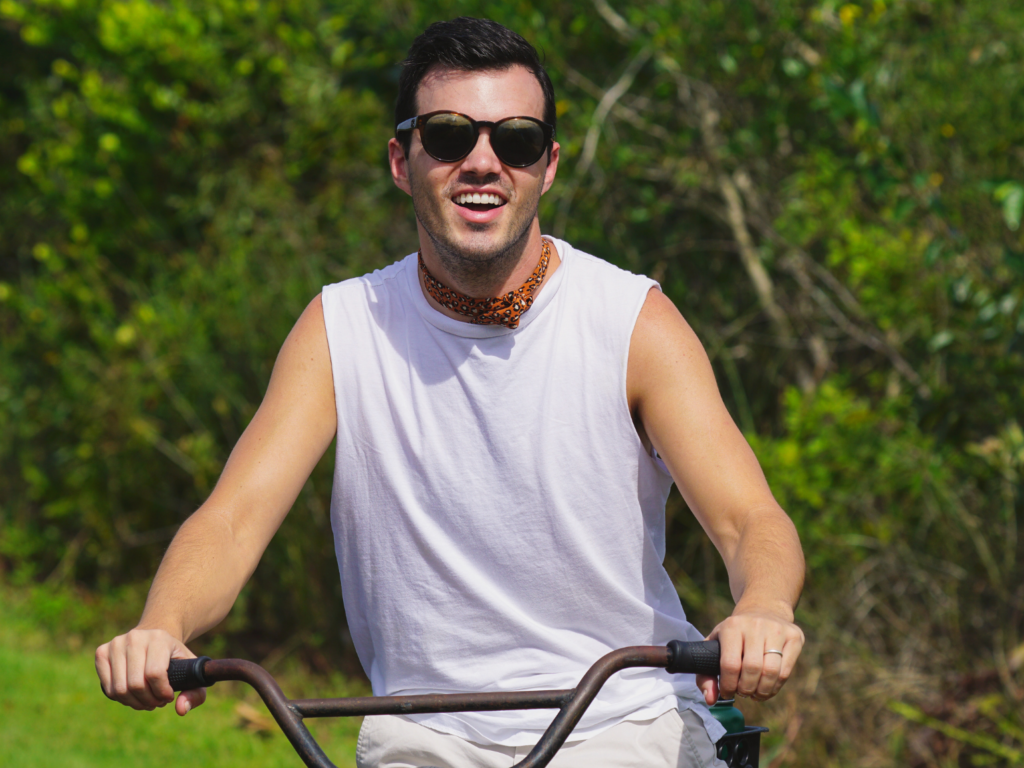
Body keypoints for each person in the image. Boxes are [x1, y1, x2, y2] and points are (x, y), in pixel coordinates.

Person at [95, 17, 805, 768]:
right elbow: (233, 520)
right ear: (402, 160)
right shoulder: (341, 326)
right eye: (448, 135)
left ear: (549, 165)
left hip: (624, 723)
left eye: (517, 140)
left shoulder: (632, 321)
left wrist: (762, 608)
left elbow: (746, 518)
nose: (483, 162)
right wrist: (163, 624)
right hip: (423, 732)